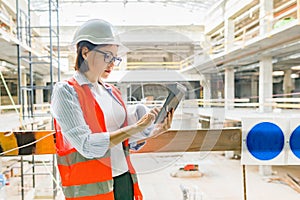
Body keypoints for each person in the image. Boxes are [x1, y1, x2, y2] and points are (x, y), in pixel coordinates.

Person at [50, 19, 174, 200]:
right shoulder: (66, 91)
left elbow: (124, 141)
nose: (112, 63)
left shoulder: (112, 92)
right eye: (107, 56)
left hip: (124, 179)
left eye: (115, 58)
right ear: (85, 52)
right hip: (91, 189)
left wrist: (155, 130)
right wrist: (135, 127)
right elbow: (86, 145)